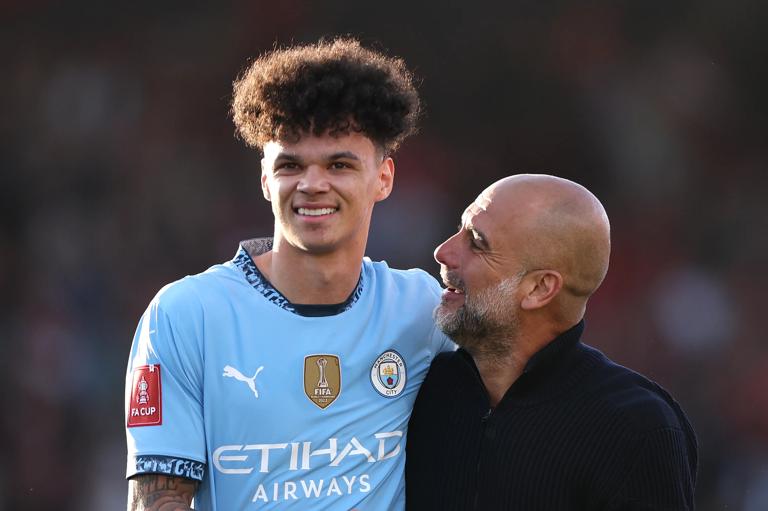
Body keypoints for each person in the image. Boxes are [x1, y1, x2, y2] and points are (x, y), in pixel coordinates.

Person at [125, 37, 452, 510]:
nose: (312, 184)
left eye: (339, 164)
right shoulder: (186, 315)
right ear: (265, 179)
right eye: (290, 165)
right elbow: (156, 502)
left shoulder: (421, 308)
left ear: (384, 177)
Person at [406, 174, 698, 510]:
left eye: (477, 242)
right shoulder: (414, 386)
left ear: (540, 289)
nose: (443, 252)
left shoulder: (635, 428)